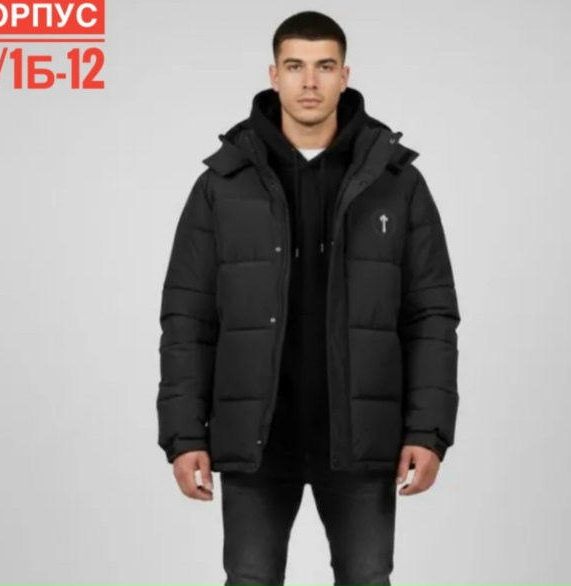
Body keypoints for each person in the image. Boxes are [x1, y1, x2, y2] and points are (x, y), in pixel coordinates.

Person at [156, 10, 461, 586]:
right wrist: (184, 434)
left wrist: (428, 430)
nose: (310, 82)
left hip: (360, 436)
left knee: (367, 579)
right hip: (257, 437)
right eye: (295, 66)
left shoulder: (396, 183)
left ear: (345, 75)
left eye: (324, 66)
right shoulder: (223, 184)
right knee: (249, 580)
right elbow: (187, 318)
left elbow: (431, 316)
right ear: (274, 75)